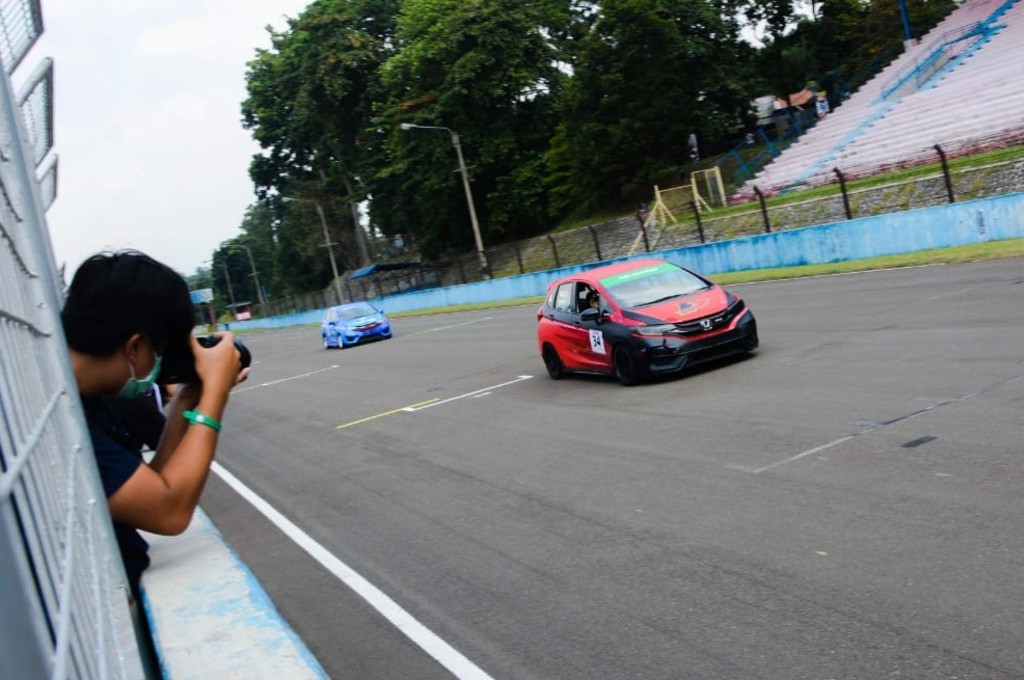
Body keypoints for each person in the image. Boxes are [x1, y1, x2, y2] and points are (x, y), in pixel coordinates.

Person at [61, 251, 248, 593]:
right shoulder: (66, 423)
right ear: (135, 346)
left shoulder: (85, 397)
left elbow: (152, 483)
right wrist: (215, 396)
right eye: (160, 351)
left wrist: (185, 402)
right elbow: (169, 512)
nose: (161, 363)